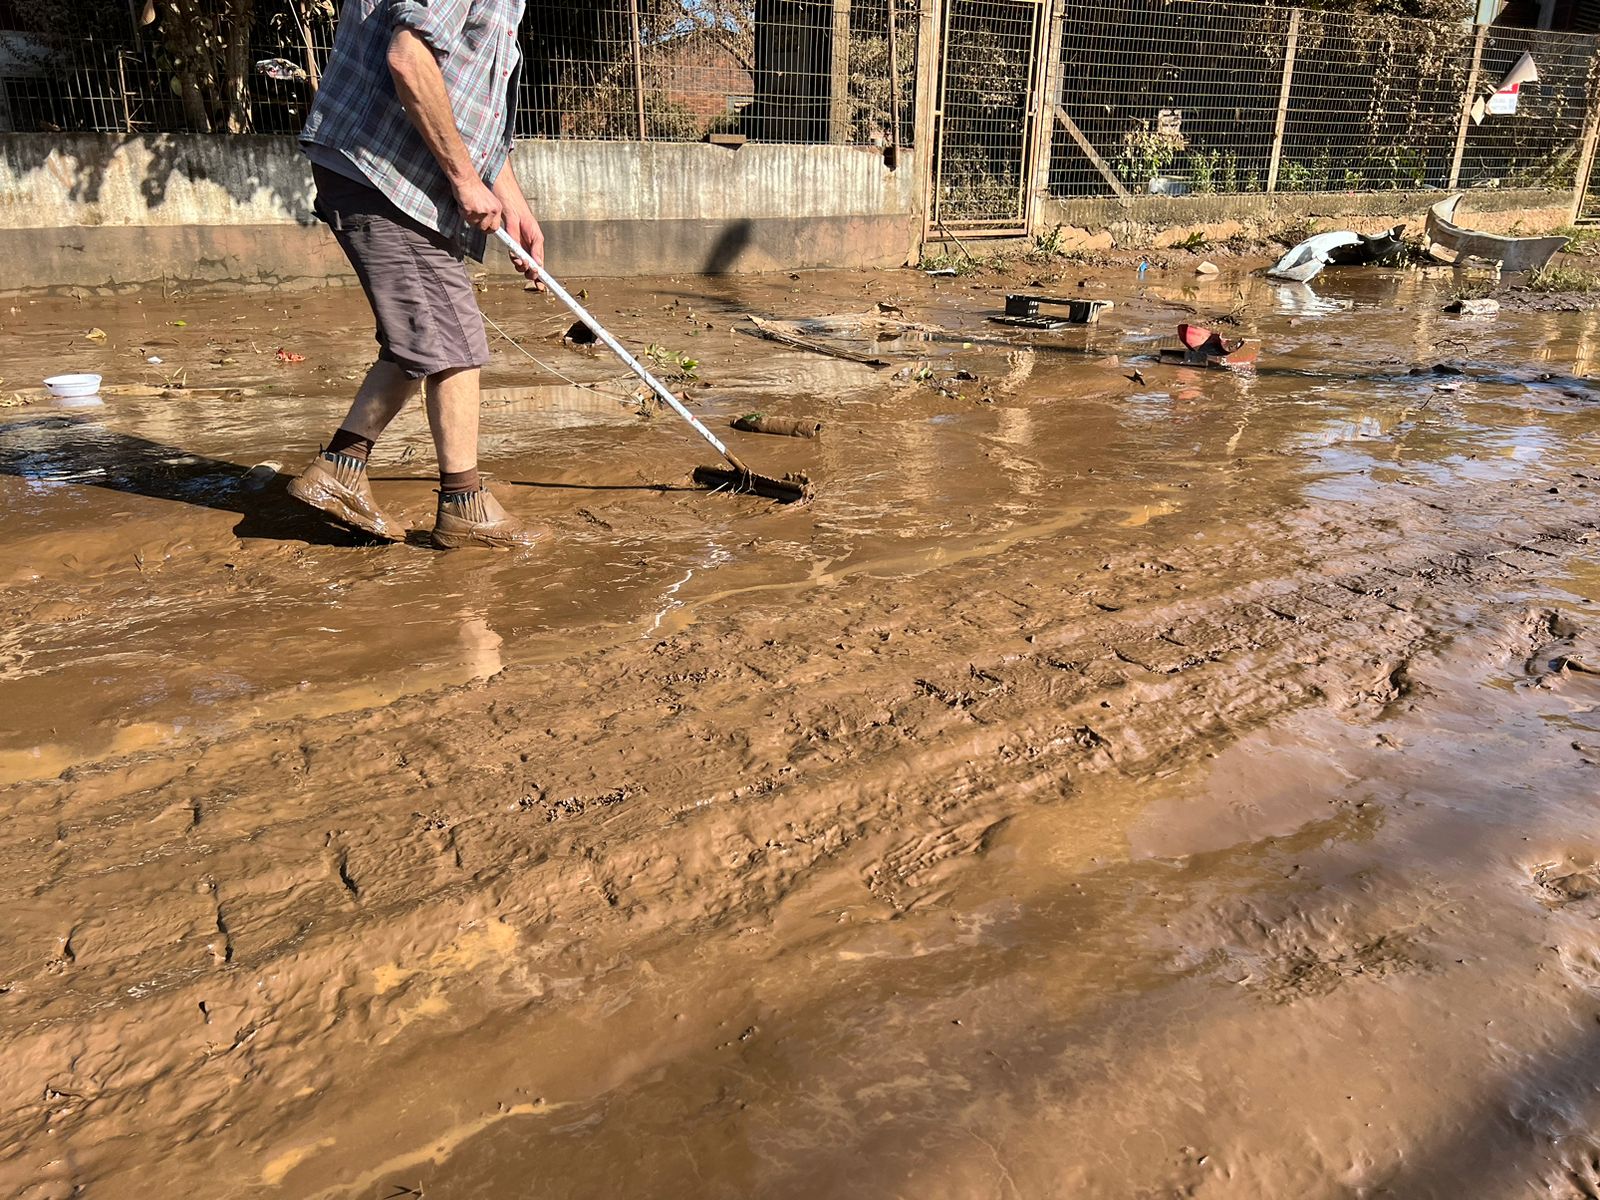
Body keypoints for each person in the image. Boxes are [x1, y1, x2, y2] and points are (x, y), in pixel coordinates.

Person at [289, 0, 545, 549]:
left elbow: (467, 102)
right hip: (383, 176)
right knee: (455, 339)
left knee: (421, 334)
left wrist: (512, 201)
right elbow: (410, 60)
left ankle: (340, 469)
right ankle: (465, 507)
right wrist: (466, 181)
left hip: (398, 178)